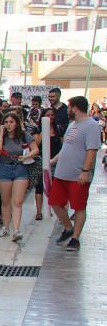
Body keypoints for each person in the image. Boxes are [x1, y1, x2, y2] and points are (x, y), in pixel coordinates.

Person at [48, 96, 101, 252]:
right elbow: (67, 148)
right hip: (62, 173)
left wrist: (85, 171)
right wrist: (53, 160)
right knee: (55, 202)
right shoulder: (72, 125)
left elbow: (91, 150)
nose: (67, 110)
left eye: (69, 107)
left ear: (75, 108)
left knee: (79, 206)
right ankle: (68, 227)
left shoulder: (91, 126)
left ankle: (75, 238)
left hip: (78, 175)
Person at [0, 111, 39, 242]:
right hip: (4, 169)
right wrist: (1, 134)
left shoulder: (24, 135)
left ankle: (16, 229)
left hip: (20, 168)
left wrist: (27, 156)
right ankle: (6, 227)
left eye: (11, 122)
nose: (8, 125)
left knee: (17, 201)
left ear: (17, 123)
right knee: (5, 201)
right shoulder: (0, 136)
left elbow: (35, 149)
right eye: (6, 122)